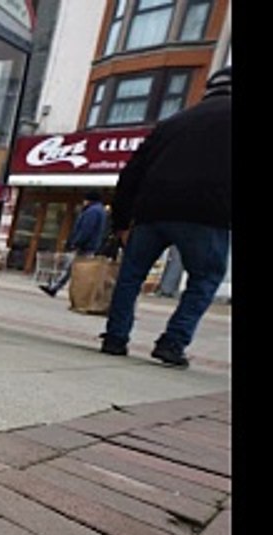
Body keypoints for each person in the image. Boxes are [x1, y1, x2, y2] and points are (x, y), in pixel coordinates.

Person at [99, 67, 232, 368]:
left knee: (131, 276)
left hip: (152, 212)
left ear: (208, 90)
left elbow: (130, 174)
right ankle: (172, 343)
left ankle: (115, 338)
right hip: (206, 214)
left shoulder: (172, 123)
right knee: (205, 278)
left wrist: (121, 222)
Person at [39, 191, 108, 297]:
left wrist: (76, 243)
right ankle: (56, 287)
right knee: (73, 268)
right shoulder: (101, 211)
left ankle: (57, 287)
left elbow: (86, 229)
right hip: (91, 246)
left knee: (74, 269)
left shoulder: (92, 212)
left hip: (85, 247)